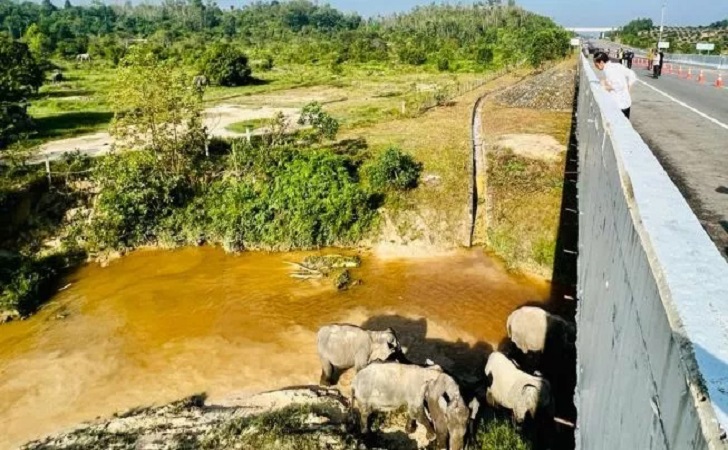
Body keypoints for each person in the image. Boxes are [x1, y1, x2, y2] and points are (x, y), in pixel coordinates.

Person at [593, 51, 637, 119]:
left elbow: (619, 85)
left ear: (601, 62)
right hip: (626, 102)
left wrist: (604, 87)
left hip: (619, 105)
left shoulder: (609, 70)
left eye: (596, 64)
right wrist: (629, 87)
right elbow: (632, 74)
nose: (595, 66)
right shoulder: (617, 65)